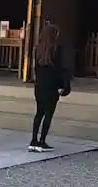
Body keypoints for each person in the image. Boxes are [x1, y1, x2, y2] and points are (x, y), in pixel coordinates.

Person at [29, 24, 70, 152]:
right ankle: (42, 141)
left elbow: (36, 69)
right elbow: (60, 70)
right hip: (52, 86)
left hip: (40, 86)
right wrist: (63, 85)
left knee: (39, 113)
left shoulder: (38, 49)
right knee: (48, 114)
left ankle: (33, 140)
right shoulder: (57, 49)